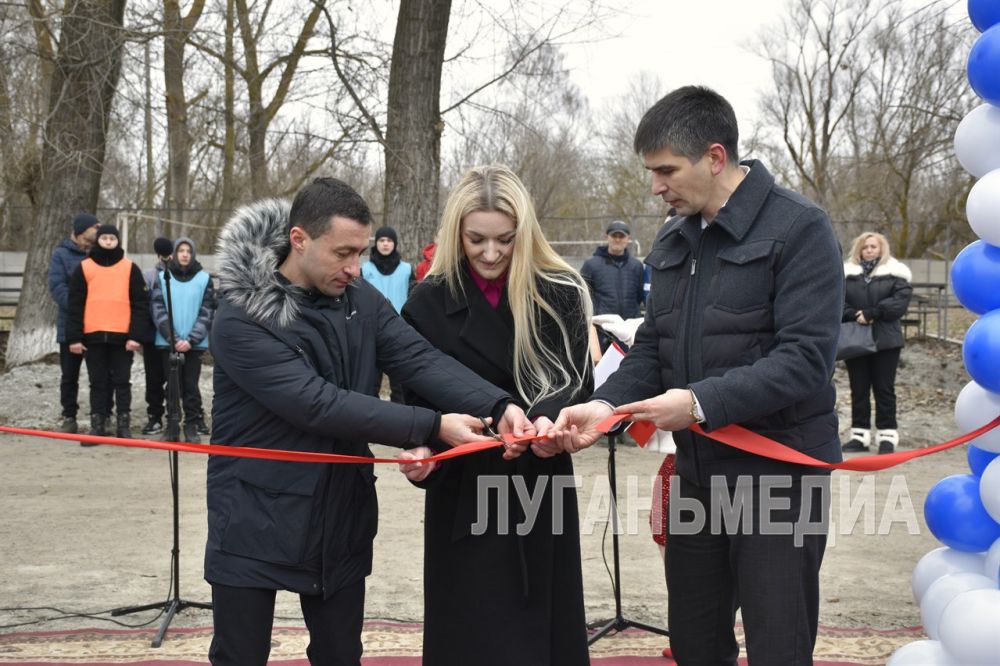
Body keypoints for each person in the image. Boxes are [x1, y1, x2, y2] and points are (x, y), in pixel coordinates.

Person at [551, 86, 844, 665]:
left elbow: (805, 359)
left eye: (666, 170)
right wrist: (605, 404)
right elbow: (655, 343)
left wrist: (698, 402)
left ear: (714, 158)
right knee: (694, 640)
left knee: (778, 644)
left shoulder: (801, 227)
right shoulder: (674, 237)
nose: (656, 186)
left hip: (778, 477)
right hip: (696, 476)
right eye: (651, 172)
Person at [204, 177, 533, 666]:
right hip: (255, 514)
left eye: (360, 251)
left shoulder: (362, 299)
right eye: (342, 253)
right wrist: (431, 425)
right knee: (240, 656)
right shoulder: (240, 318)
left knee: (340, 655)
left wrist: (499, 405)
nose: (355, 267)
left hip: (339, 512)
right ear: (299, 239)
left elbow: (420, 359)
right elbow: (317, 404)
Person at [397, 165, 592, 666]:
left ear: (524, 233)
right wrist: (423, 452)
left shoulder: (561, 293)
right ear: (455, 233)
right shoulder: (427, 303)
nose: (490, 253)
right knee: (473, 629)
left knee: (540, 627)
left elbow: (575, 380)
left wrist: (550, 423)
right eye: (476, 239)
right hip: (464, 487)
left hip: (538, 483)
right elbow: (414, 403)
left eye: (504, 240)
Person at [65, 224, 149, 441]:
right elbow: (75, 305)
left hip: (122, 338)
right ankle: (97, 425)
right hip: (93, 336)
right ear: (98, 241)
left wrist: (135, 336)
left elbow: (140, 304)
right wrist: (74, 337)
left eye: (112, 238)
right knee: (97, 382)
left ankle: (123, 425)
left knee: (122, 381)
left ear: (118, 241)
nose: (109, 242)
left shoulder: (130, 268)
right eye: (105, 238)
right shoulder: (84, 268)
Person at [840, 232, 913, 454]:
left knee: (884, 389)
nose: (869, 250)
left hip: (886, 340)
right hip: (855, 340)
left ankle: (887, 436)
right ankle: (859, 436)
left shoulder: (896, 274)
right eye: (865, 247)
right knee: (858, 389)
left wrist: (873, 313)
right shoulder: (847, 275)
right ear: (859, 250)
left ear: (881, 249)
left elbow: (899, 303)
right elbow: (836, 302)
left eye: (873, 246)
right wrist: (854, 314)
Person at [150, 237, 215, 443]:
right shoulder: (162, 277)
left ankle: (192, 424)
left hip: (193, 346)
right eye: (181, 250)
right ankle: (171, 425)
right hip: (168, 343)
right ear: (174, 254)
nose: (185, 254)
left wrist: (191, 339)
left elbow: (207, 311)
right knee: (172, 386)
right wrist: (174, 339)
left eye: (188, 250)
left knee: (191, 386)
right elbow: (158, 310)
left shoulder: (204, 279)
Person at [48, 213, 101, 434]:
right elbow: (57, 287)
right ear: (80, 233)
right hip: (70, 325)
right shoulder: (61, 255)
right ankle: (69, 416)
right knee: (69, 375)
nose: (99, 231)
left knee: (99, 375)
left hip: (96, 326)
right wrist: (82, 306)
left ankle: (100, 416)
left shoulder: (98, 255)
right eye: (94, 228)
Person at [580, 220, 645, 349]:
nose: (617, 240)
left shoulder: (636, 266)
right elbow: (583, 296)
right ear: (607, 237)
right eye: (614, 236)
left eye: (621, 236)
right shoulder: (592, 265)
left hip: (628, 331)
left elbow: (639, 295)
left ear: (628, 238)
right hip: (603, 331)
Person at [140, 249, 169, 436]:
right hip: (152, 337)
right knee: (154, 380)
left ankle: (178, 416)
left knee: (178, 381)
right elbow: (143, 305)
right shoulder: (148, 276)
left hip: (175, 338)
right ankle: (155, 416)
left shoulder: (183, 278)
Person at [361, 225, 412, 313]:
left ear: (395, 243)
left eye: (389, 240)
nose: (385, 243)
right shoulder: (365, 270)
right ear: (376, 243)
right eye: (382, 240)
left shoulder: (407, 270)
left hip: (400, 322)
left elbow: (412, 299)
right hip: (372, 320)